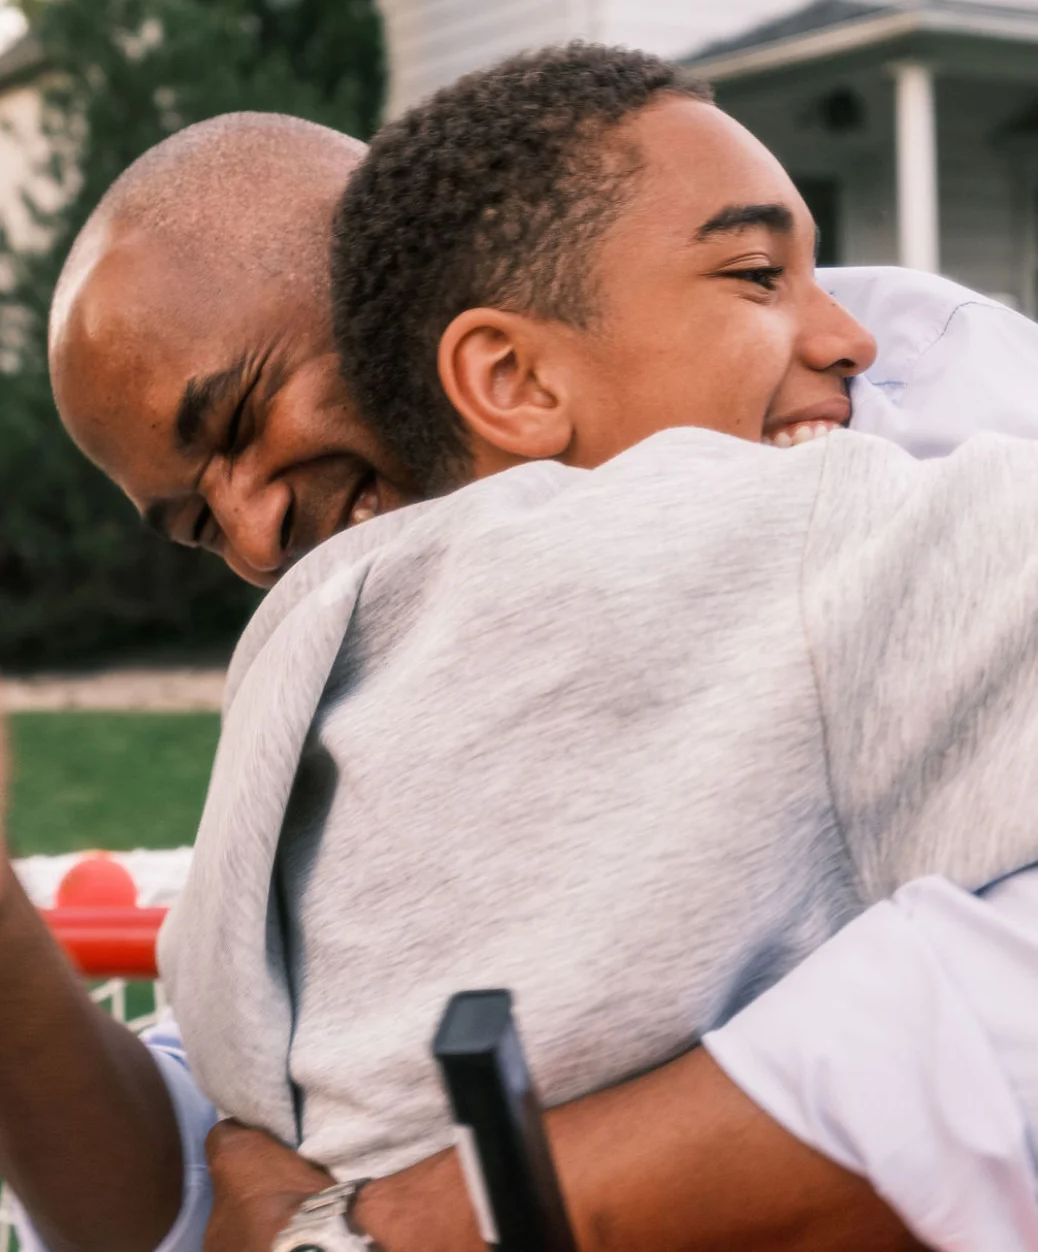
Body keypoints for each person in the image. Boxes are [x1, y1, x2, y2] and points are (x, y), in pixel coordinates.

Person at [3, 73, 1034, 1252]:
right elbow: (238, 1150)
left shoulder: (855, 428)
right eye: (192, 523)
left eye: (240, 418)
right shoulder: (344, 646)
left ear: (435, 318)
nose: (248, 535)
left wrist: (413, 1222)